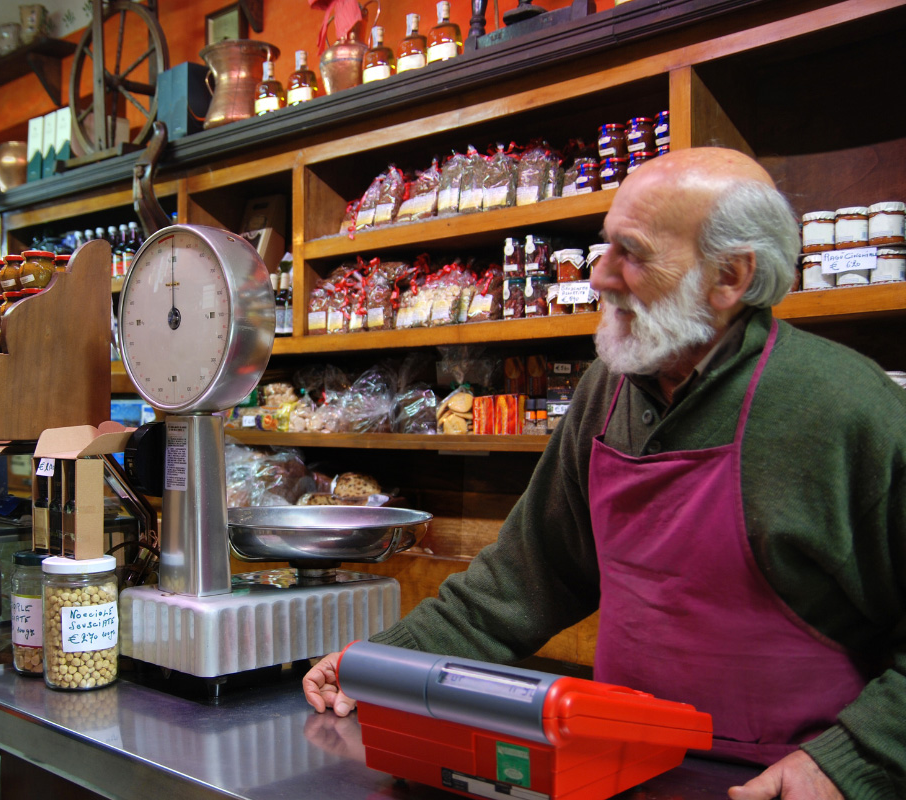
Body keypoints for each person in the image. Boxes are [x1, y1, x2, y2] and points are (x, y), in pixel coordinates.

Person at [303, 148, 906, 800]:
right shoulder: (608, 391)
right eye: (603, 247)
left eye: (633, 253)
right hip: (623, 770)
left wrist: (851, 763)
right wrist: (382, 664)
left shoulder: (843, 408)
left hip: (782, 783)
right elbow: (527, 580)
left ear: (729, 277)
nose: (600, 276)